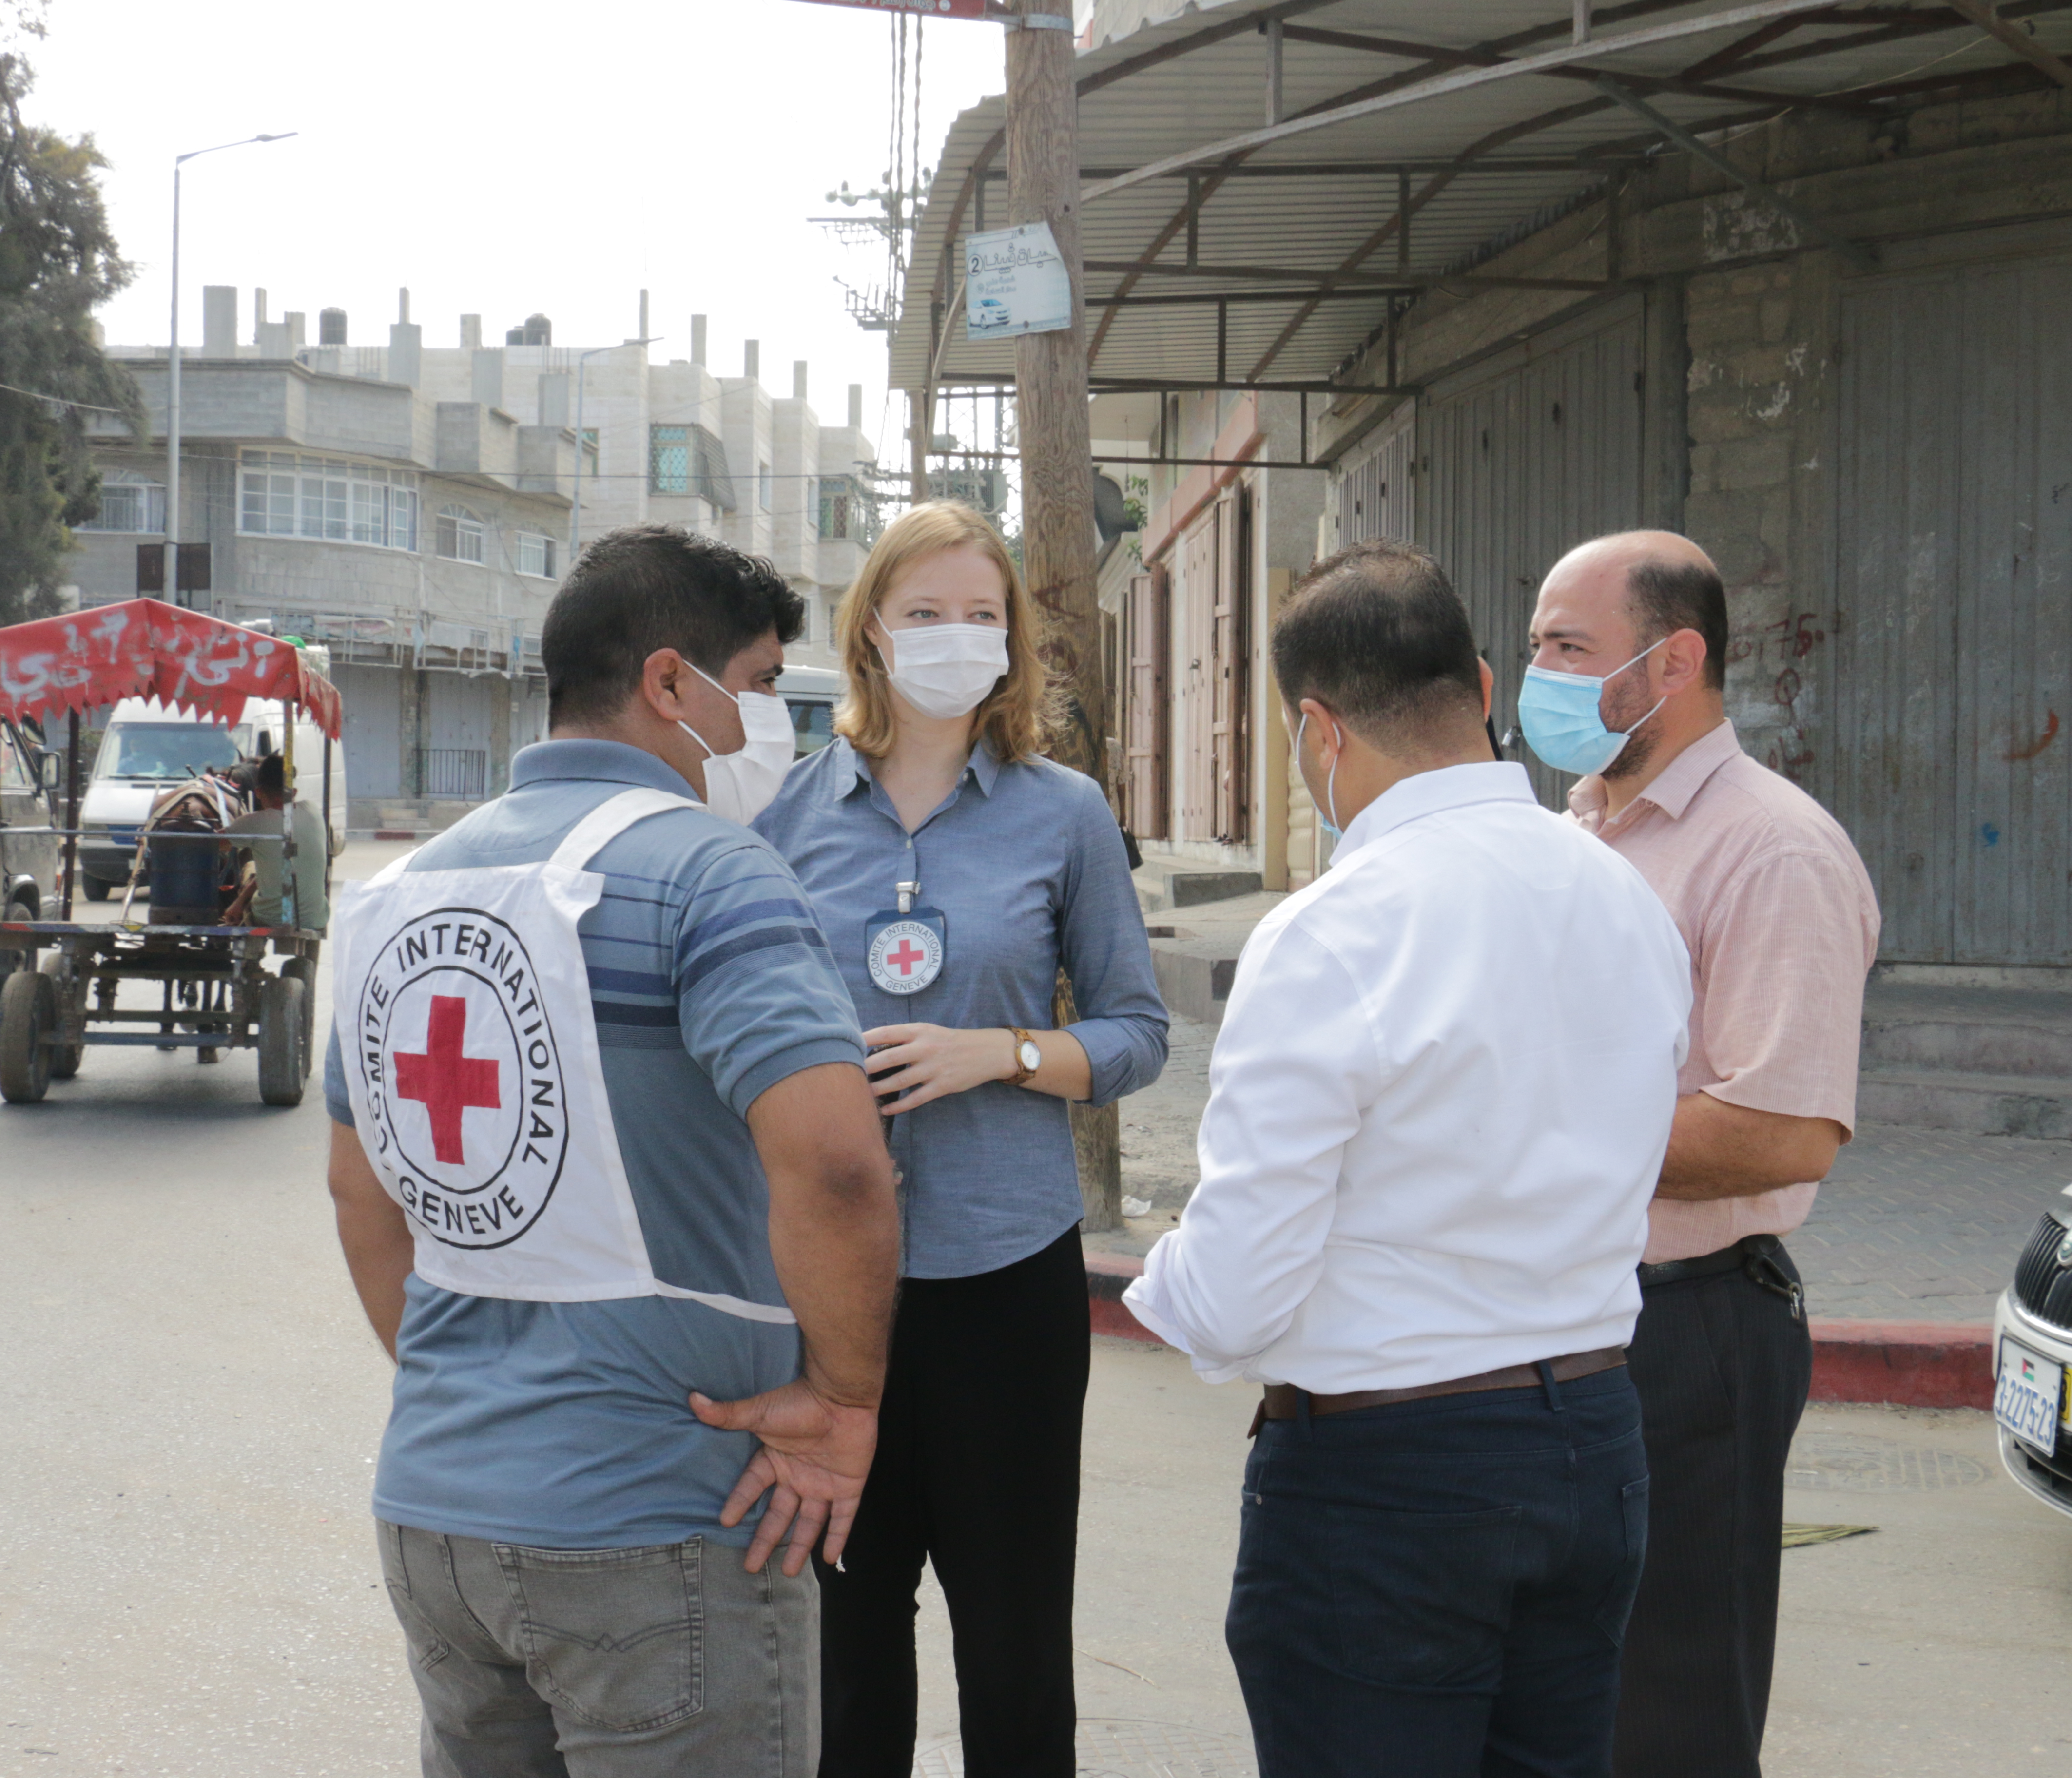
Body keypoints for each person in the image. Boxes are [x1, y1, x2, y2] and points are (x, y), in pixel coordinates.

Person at [320, 524, 900, 1777]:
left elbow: (358, 1192)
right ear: (668, 684)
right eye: (753, 687)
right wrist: (845, 1406)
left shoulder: (401, 893)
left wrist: (476, 1389)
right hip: (656, 1528)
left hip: (437, 1516)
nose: (765, 727)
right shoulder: (713, 876)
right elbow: (839, 1166)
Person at [1124, 540, 1691, 1778]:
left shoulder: (1332, 933)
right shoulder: (1620, 897)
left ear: (1317, 730)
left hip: (1392, 1478)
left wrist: (1162, 1281)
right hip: (1592, 1441)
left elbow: (1234, 1295)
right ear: (1484, 687)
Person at [752, 502, 1168, 1777]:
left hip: (1006, 1281)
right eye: (924, 612)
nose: (954, 637)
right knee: (845, 1644)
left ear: (1013, 641)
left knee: (1017, 1650)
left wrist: (1006, 1055)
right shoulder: (787, 818)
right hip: (832, 1294)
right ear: (871, 630)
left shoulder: (1065, 816)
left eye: (981, 616)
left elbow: (1137, 1032)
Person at [1520, 531, 1880, 1778]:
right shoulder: (1572, 830)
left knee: (1668, 1711)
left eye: (1568, 649)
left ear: (1673, 661)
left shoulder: (1768, 847)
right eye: (1534, 650)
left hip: (1685, 1333)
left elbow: (1782, 1129)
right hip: (1553, 1321)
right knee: (1559, 1693)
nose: (1540, 679)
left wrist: (1524, 1143)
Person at [225, 751, 330, 930]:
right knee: (282, 863)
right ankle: (307, 953)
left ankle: (250, 954)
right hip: (315, 918)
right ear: (294, 792)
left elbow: (215, 843)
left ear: (258, 793)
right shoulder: (313, 811)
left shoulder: (254, 822)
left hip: (271, 918)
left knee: (252, 866)